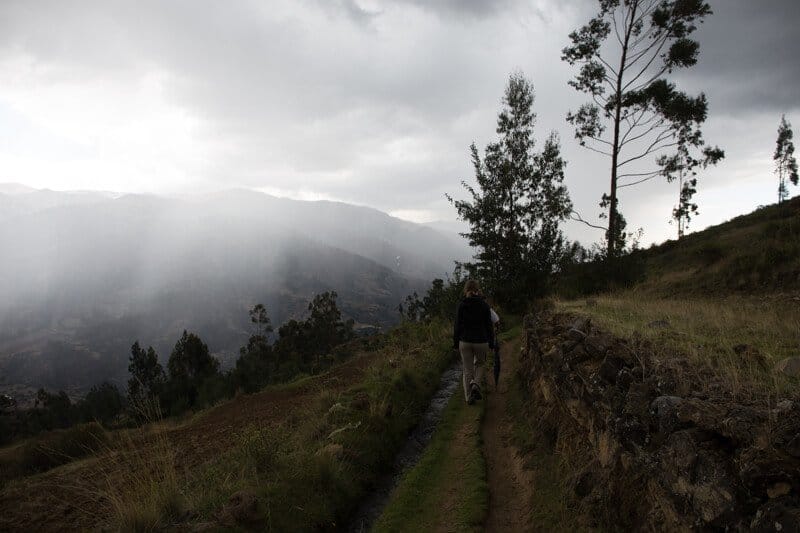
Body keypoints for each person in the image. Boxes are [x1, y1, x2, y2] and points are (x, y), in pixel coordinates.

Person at [453, 279, 495, 404]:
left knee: (467, 369)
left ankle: (468, 398)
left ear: (466, 290)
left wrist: (455, 343)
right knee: (480, 364)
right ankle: (476, 384)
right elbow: (489, 326)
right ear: (477, 290)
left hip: (465, 341)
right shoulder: (484, 305)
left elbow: (457, 326)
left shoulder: (462, 305)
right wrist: (491, 342)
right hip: (481, 341)